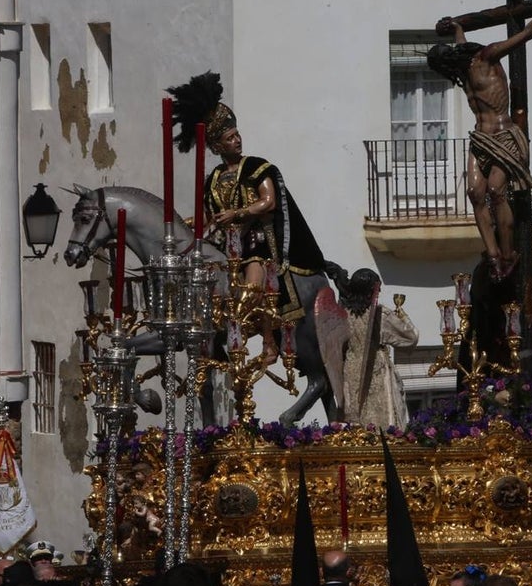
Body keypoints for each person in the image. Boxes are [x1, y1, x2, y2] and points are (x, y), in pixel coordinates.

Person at [169, 72, 327, 362]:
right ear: (217, 146)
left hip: (256, 244)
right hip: (223, 249)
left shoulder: (256, 167)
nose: (237, 140)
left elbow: (268, 202)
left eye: (237, 134)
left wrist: (237, 213)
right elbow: (209, 220)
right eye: (230, 138)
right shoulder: (213, 178)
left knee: (250, 294)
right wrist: (184, 227)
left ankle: (268, 343)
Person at [427, 0, 532, 281]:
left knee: (496, 191)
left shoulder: (487, 56)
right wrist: (458, 28)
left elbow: (525, 34)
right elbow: (460, 43)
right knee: (475, 192)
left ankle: (508, 252)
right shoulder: (463, 69)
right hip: (480, 139)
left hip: (504, 136)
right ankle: (492, 255)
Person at [331, 266, 419, 428]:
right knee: (381, 422)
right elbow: (410, 337)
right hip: (375, 369)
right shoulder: (380, 314)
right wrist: (401, 314)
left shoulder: (342, 314)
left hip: (350, 368)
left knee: (357, 423)